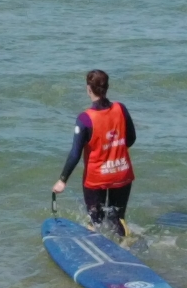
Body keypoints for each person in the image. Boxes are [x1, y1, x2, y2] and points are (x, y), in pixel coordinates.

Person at [52, 69, 136, 236]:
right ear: (107, 88)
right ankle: (125, 245)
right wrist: (114, 150)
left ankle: (95, 244)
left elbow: (75, 153)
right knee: (118, 218)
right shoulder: (121, 109)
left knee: (95, 220)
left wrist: (62, 180)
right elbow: (131, 139)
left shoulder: (85, 119)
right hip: (121, 174)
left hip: (97, 178)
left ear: (88, 89)